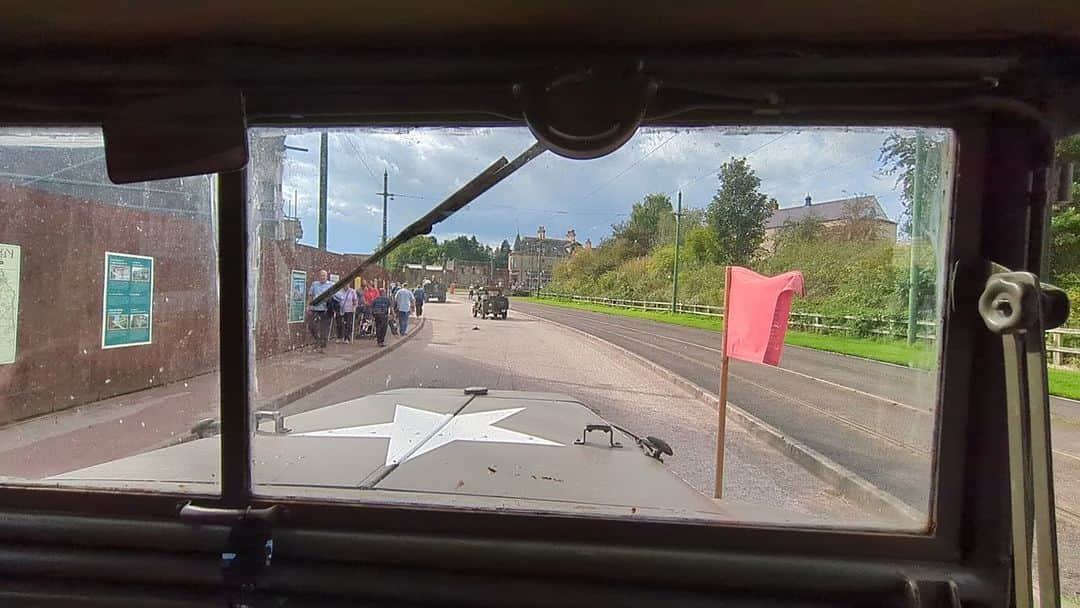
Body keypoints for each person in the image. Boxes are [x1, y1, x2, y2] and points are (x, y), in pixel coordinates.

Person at [307, 269, 334, 350]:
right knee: (311, 326)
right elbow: (310, 295)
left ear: (327, 276)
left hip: (325, 309)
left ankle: (323, 344)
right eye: (321, 275)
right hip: (315, 308)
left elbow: (336, 297)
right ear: (319, 276)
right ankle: (317, 339)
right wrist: (309, 306)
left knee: (324, 328)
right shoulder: (315, 284)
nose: (322, 277)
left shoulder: (331, 285)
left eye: (324, 275)